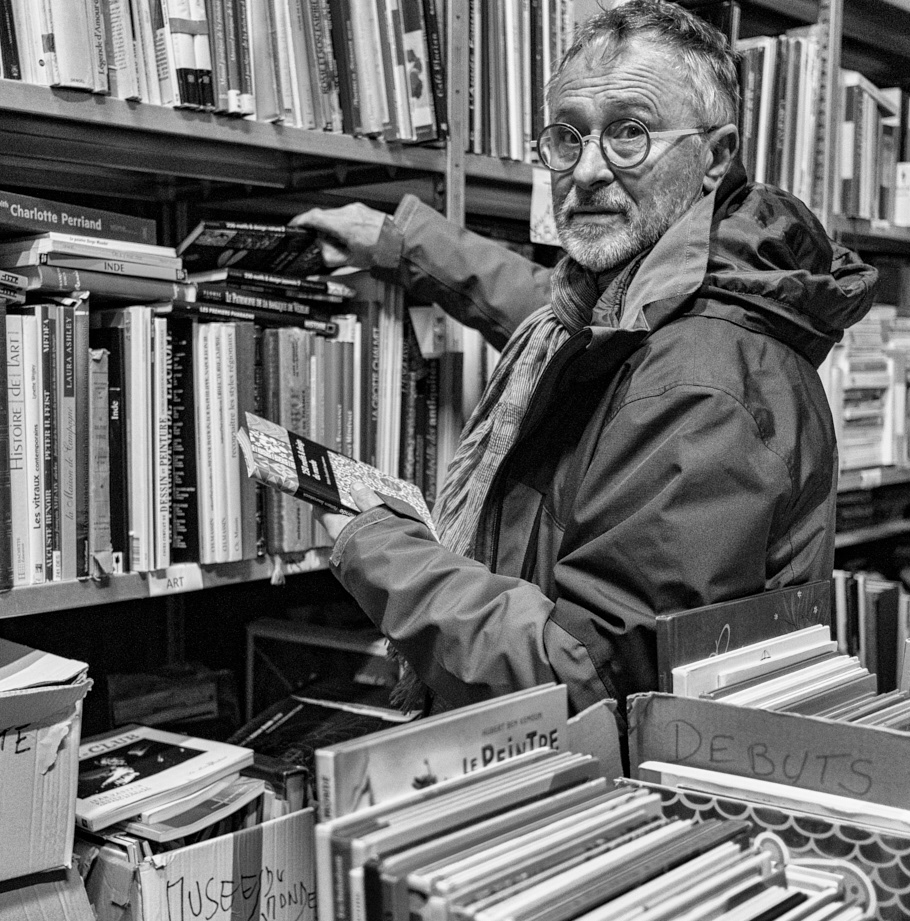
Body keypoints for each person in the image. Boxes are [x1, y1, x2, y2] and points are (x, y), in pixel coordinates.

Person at [290, 0, 879, 714]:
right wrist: (404, 244)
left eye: (631, 132)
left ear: (715, 156)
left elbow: (586, 682)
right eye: (567, 136)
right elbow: (559, 322)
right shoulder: (663, 301)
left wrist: (378, 548)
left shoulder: (699, 385)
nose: (589, 169)